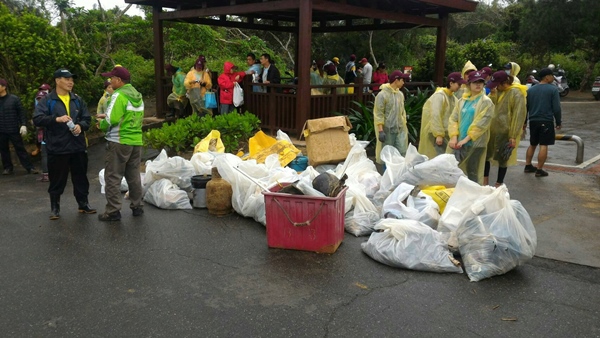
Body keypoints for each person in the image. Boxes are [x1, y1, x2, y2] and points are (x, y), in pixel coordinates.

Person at [32, 69, 94, 220]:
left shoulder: (77, 100)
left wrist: (81, 125)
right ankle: (55, 208)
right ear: (57, 80)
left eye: (71, 79)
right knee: (57, 179)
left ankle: (83, 204)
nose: (70, 82)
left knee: (80, 177)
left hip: (77, 146)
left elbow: (87, 118)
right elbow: (37, 119)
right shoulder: (47, 100)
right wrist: (56, 119)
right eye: (66, 79)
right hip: (57, 147)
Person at [97, 66, 145, 221]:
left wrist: (102, 125)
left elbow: (112, 119)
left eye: (111, 78)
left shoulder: (118, 95)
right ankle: (137, 206)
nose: (110, 81)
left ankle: (113, 211)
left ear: (118, 80)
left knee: (112, 176)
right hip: (135, 141)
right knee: (133, 175)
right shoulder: (138, 96)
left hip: (119, 140)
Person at [447, 70, 494, 185]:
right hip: (459, 142)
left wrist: (466, 139)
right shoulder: (462, 101)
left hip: (475, 144)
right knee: (456, 171)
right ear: (469, 85)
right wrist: (454, 136)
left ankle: (472, 198)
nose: (478, 85)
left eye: (480, 82)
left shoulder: (486, 102)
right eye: (475, 82)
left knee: (472, 172)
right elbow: (453, 119)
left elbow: (481, 124)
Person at [483, 71, 528, 187]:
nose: (495, 87)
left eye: (497, 84)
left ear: (504, 83)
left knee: (503, 157)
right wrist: (492, 95)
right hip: (492, 130)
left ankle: (499, 182)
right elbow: (490, 107)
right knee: (486, 155)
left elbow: (518, 115)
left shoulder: (516, 93)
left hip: (505, 132)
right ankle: (485, 181)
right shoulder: (498, 91)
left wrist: (513, 135)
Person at [523, 68, 561, 177]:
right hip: (546, 120)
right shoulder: (553, 90)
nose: (553, 77)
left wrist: (525, 121)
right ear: (547, 77)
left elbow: (526, 107)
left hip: (533, 121)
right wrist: (558, 121)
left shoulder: (531, 90)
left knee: (533, 143)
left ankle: (528, 165)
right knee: (543, 144)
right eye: (552, 75)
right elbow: (557, 108)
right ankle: (539, 170)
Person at [418, 72, 465, 159]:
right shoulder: (439, 96)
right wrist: (438, 134)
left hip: (446, 133)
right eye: (459, 84)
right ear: (451, 83)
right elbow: (435, 115)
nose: (460, 86)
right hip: (436, 133)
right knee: (439, 159)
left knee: (444, 159)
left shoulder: (452, 97)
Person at [0, 78, 39, 176]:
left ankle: (29, 167)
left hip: (13, 128)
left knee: (20, 148)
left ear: (4, 87)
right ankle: (8, 168)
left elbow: (21, 113)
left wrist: (23, 125)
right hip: (1, 130)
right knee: (3, 150)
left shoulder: (14, 99)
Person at [374, 70, 410, 164]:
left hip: (399, 129)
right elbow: (379, 113)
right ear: (396, 80)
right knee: (388, 155)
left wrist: (404, 124)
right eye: (402, 80)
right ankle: (387, 175)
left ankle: (398, 175)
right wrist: (381, 130)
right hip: (387, 130)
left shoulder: (400, 94)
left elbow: (402, 111)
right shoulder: (382, 95)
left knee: (401, 152)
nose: (403, 82)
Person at [35, 88, 51, 182]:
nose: (40, 100)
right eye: (38, 98)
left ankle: (47, 174)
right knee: (45, 154)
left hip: (49, 135)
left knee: (46, 155)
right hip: (44, 136)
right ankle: (47, 174)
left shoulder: (42, 109)